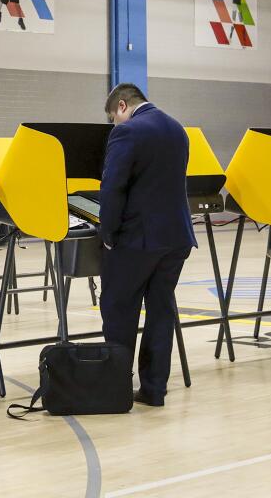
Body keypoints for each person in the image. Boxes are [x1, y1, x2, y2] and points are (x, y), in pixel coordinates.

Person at [99, 83, 197, 407]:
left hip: (139, 238)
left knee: (119, 308)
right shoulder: (177, 129)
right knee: (161, 311)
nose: (115, 124)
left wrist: (108, 234)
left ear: (123, 106)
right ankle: (154, 389)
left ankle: (116, 388)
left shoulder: (128, 132)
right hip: (176, 237)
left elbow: (113, 188)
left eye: (114, 117)